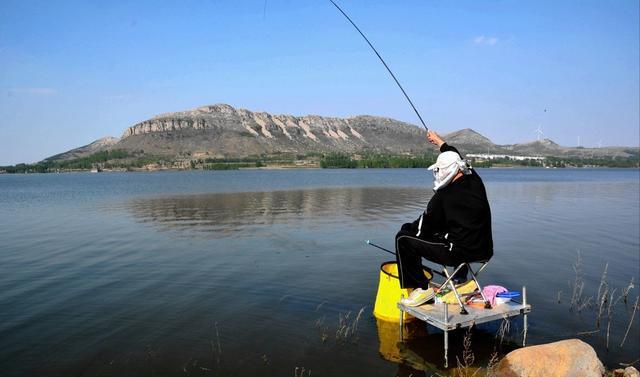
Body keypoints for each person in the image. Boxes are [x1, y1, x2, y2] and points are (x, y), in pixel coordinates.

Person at [396, 130, 493, 306]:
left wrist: (407, 228)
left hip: (458, 253)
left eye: (439, 170)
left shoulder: (443, 196)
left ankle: (422, 289)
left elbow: (423, 229)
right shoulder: (475, 180)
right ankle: (460, 279)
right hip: (484, 250)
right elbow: (456, 156)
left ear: (444, 171)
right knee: (455, 229)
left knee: (403, 238)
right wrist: (440, 142)